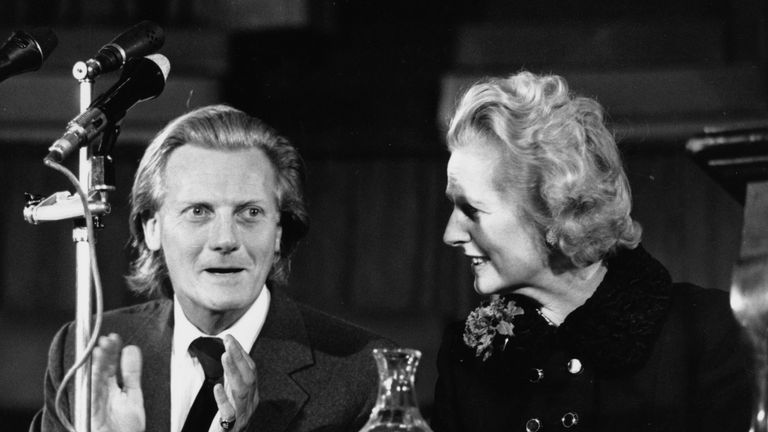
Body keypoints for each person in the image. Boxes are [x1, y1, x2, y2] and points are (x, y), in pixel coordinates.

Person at [33, 104, 393, 432]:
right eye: (199, 211)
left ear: (279, 232)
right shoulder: (79, 354)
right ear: (151, 228)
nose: (225, 239)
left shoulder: (364, 374)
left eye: (250, 213)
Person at [431, 71, 752, 432]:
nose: (450, 234)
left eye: (472, 210)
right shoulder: (466, 357)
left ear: (554, 210)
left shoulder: (710, 332)